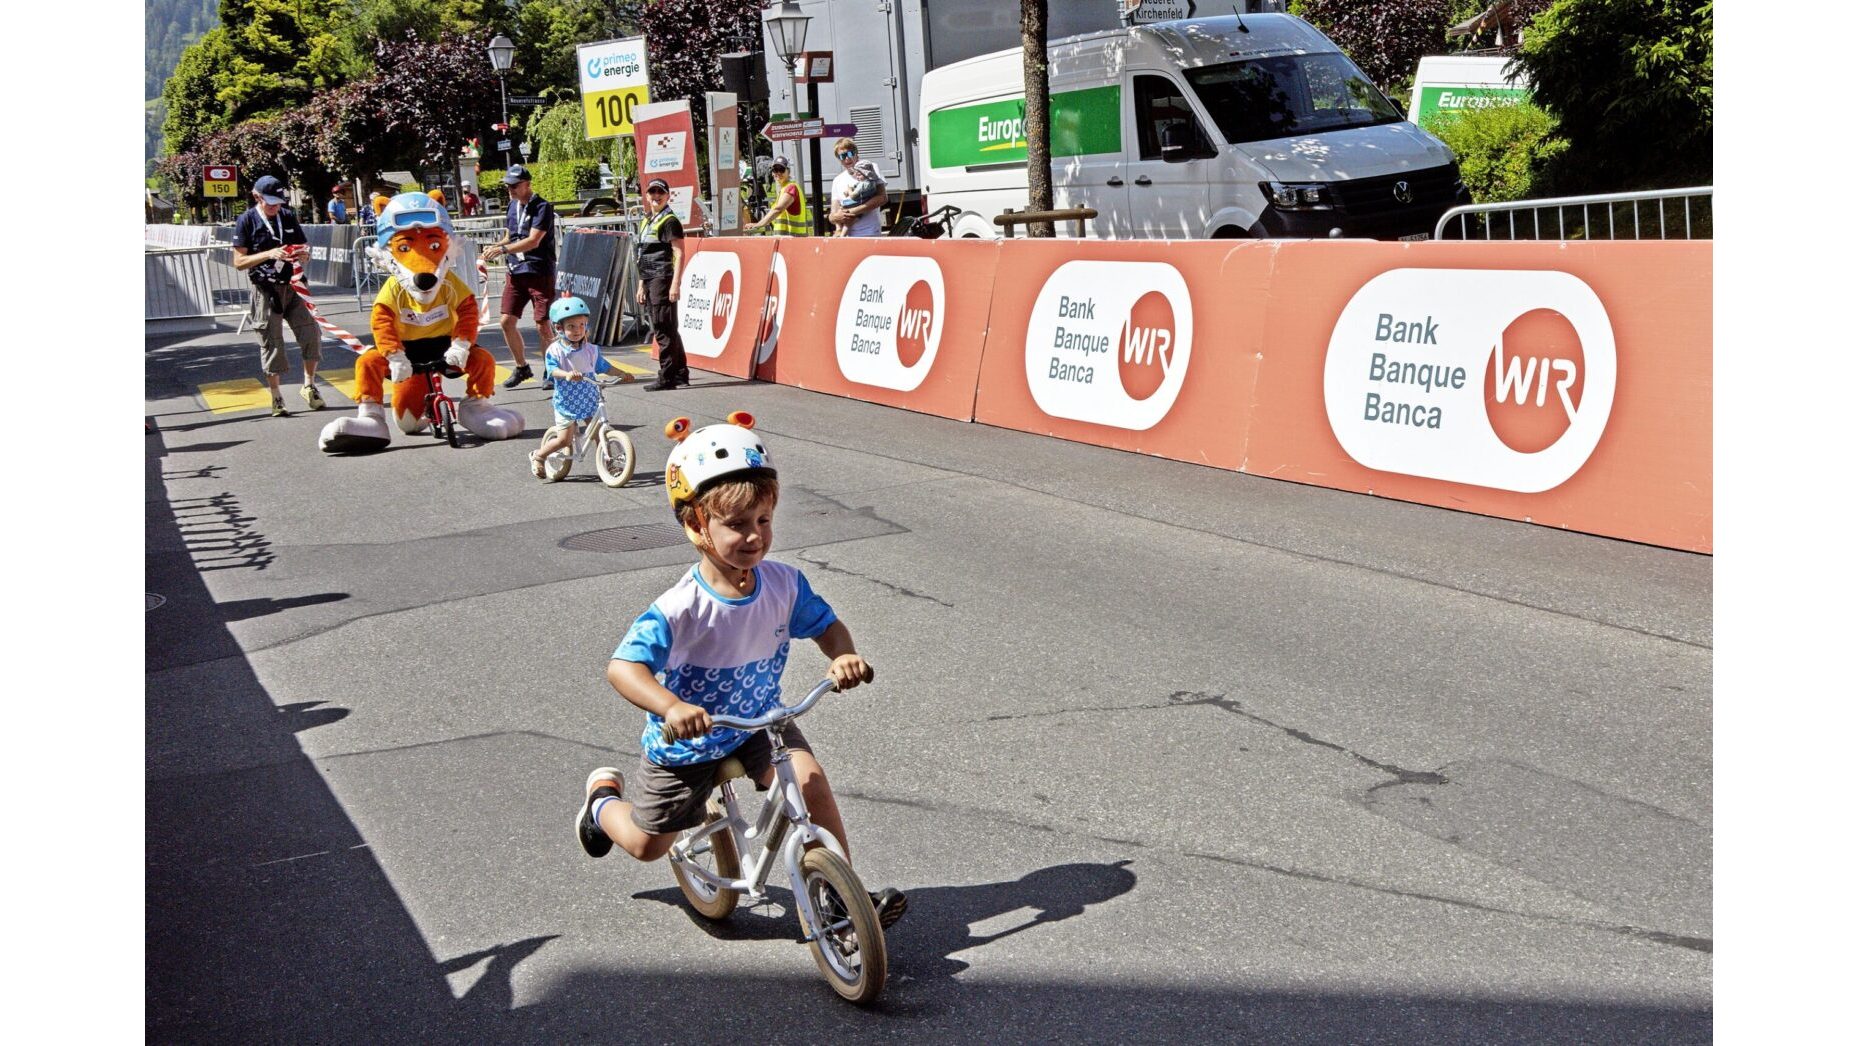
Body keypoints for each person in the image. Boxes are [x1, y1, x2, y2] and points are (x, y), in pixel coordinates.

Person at [573, 414, 907, 928]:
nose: (755, 537)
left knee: (810, 781)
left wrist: (841, 654)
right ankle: (600, 802)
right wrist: (672, 706)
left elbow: (827, 626)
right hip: (688, 740)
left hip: (758, 723)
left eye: (764, 521)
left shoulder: (783, 585)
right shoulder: (680, 607)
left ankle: (846, 894)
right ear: (694, 526)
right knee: (645, 844)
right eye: (736, 524)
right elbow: (623, 668)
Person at [230, 174, 324, 417]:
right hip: (266, 289)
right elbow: (239, 262)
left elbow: (303, 248)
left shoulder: (287, 216)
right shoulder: (246, 221)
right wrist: (269, 254)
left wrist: (303, 255)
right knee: (271, 341)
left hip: (294, 285)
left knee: (311, 332)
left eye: (279, 202)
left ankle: (309, 385)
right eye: (270, 203)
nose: (275, 207)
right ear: (257, 197)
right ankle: (276, 396)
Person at [480, 165, 556, 390]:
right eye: (507, 186)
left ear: (527, 184)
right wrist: (498, 245)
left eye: (514, 186)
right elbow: (511, 234)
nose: (509, 190)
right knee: (506, 321)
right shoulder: (513, 205)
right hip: (515, 272)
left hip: (538, 271)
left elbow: (533, 240)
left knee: (543, 325)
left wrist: (504, 251)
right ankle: (522, 367)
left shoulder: (542, 207)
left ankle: (551, 370)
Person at [528, 296, 623, 478]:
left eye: (582, 325)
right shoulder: (555, 350)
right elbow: (552, 370)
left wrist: (621, 373)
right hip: (567, 402)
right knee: (564, 440)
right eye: (571, 326)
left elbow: (604, 367)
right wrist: (567, 375)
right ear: (559, 328)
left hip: (589, 399)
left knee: (597, 433)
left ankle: (609, 463)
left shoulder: (591, 350)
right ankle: (539, 455)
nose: (578, 330)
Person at [635, 178, 689, 391]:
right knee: (668, 328)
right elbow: (644, 254)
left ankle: (666, 377)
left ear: (667, 196)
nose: (655, 196)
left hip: (662, 278)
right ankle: (680, 374)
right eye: (652, 192)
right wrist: (641, 285)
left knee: (663, 328)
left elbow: (679, 252)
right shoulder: (648, 219)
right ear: (646, 196)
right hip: (649, 278)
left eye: (660, 192)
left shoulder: (669, 220)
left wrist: (676, 284)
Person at [827, 139, 887, 237]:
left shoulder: (870, 168)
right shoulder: (837, 180)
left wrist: (852, 211)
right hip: (847, 238)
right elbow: (833, 213)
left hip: (870, 233)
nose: (847, 159)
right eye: (842, 156)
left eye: (849, 154)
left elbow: (882, 198)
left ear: (856, 154)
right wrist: (835, 218)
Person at [744, 157, 810, 236]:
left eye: (781, 169)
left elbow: (778, 209)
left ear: (788, 172)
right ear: (772, 173)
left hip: (793, 240)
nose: (778, 173)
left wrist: (758, 224)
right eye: (775, 169)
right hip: (786, 240)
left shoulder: (791, 188)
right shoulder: (784, 189)